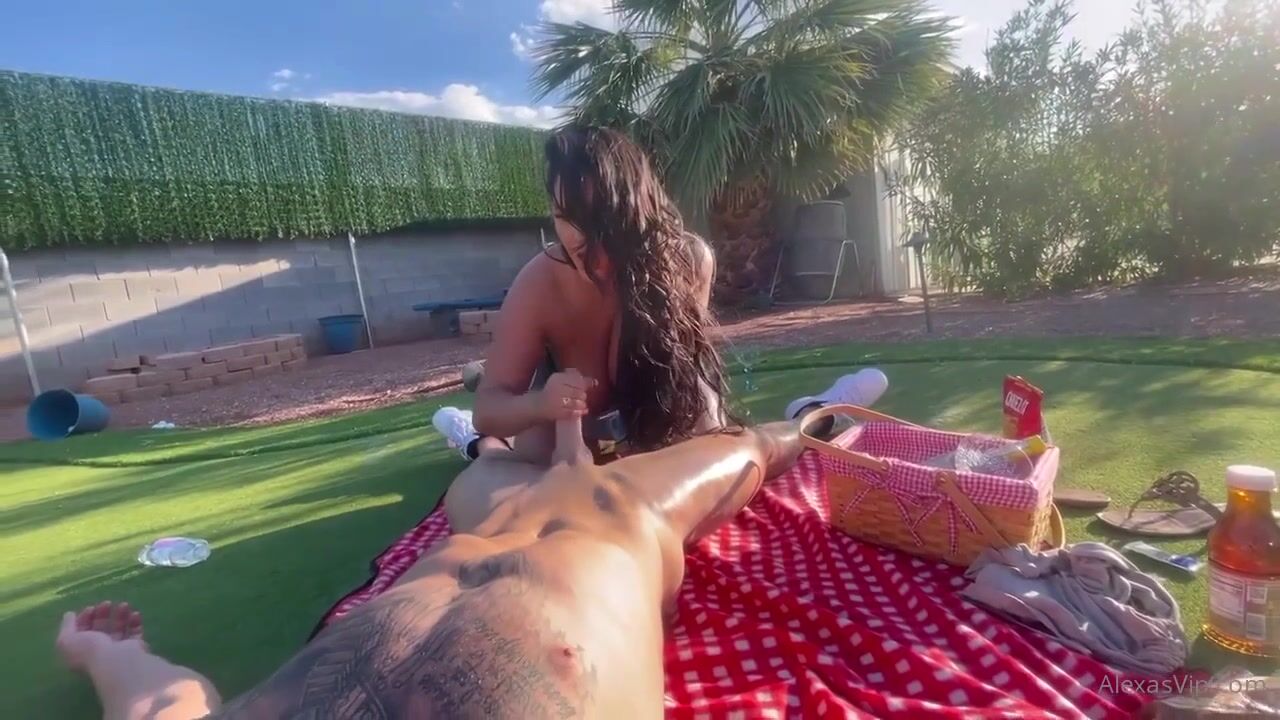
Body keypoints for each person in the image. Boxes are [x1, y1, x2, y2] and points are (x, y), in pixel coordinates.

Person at [55, 374, 864, 720]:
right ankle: (812, 418)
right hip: (619, 526)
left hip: (484, 524)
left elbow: (165, 705)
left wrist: (101, 653)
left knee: (492, 477)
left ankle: (489, 445)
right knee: (743, 450)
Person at [432, 125, 883, 468]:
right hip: (563, 432)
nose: (584, 239)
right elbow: (491, 408)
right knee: (514, 469)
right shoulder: (540, 283)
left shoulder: (688, 260)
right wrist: (540, 403)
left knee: (730, 454)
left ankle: (815, 410)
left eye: (604, 219)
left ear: (642, 208)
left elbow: (680, 381)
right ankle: (471, 439)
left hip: (649, 412)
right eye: (566, 217)